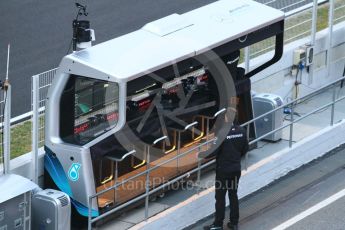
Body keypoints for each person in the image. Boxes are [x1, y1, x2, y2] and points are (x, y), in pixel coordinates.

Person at [204, 115, 249, 230]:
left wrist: (201, 155)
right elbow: (245, 149)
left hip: (223, 170)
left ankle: (218, 224)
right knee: (233, 195)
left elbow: (213, 151)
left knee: (220, 197)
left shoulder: (222, 133)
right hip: (235, 169)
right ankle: (234, 223)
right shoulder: (242, 130)